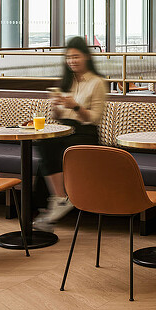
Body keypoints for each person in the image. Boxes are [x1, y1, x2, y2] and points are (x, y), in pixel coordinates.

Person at [33, 36, 107, 232]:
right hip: (64, 129)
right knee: (42, 141)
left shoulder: (97, 82)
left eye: (76, 56)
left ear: (86, 57)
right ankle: (57, 200)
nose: (72, 61)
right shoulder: (66, 82)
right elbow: (58, 117)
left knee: (54, 148)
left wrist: (74, 105)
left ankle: (56, 202)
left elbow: (94, 118)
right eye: (69, 57)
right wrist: (56, 107)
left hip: (86, 133)